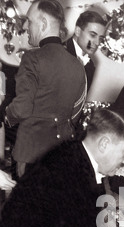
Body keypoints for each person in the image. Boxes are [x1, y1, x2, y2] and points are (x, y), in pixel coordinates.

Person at [4, 0, 87, 178]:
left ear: (43, 24)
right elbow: (76, 112)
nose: (26, 26)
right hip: (62, 153)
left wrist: (6, 117)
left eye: (30, 21)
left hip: (31, 153)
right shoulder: (77, 65)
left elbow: (21, 109)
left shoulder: (32, 58)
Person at [64, 10, 105, 94]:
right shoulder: (59, 53)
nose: (97, 43)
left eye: (100, 38)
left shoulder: (90, 66)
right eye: (93, 35)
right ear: (78, 31)